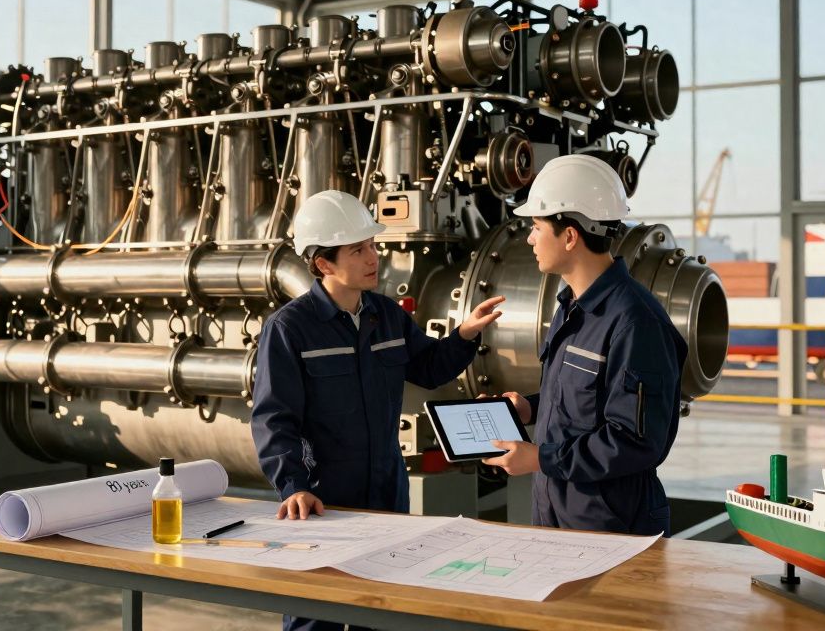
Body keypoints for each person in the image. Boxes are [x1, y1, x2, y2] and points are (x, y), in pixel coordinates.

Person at [252, 190, 503, 631]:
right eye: (358, 249)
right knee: (317, 615)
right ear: (323, 263)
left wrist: (465, 334)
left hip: (387, 491)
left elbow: (427, 367)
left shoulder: (385, 314)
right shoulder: (289, 329)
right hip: (323, 500)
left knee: (383, 609)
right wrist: (292, 485)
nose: (374, 257)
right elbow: (274, 418)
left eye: (372, 245)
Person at [482, 155, 687, 537]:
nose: (529, 239)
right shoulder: (573, 307)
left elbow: (634, 441)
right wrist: (529, 407)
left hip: (612, 526)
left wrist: (540, 459)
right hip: (558, 513)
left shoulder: (634, 322)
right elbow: (583, 401)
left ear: (570, 236)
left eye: (537, 227)